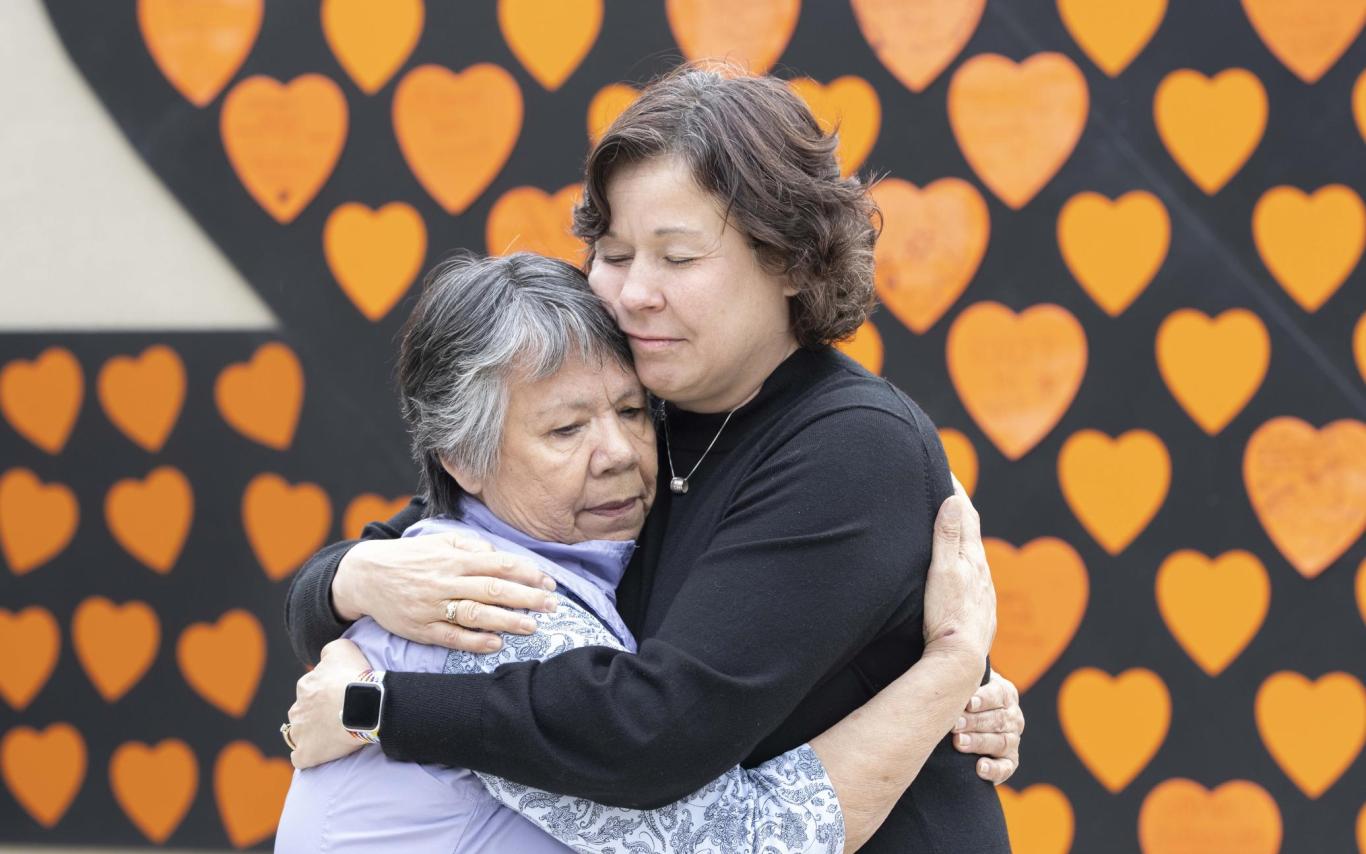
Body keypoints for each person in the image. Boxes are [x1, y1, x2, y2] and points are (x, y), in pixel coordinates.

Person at [284, 65, 1020, 852]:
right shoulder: (645, 403)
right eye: (613, 250)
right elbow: (431, 538)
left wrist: (383, 710)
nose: (633, 292)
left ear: (795, 262)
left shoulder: (849, 448)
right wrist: (350, 579)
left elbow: (658, 731)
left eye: (677, 258)